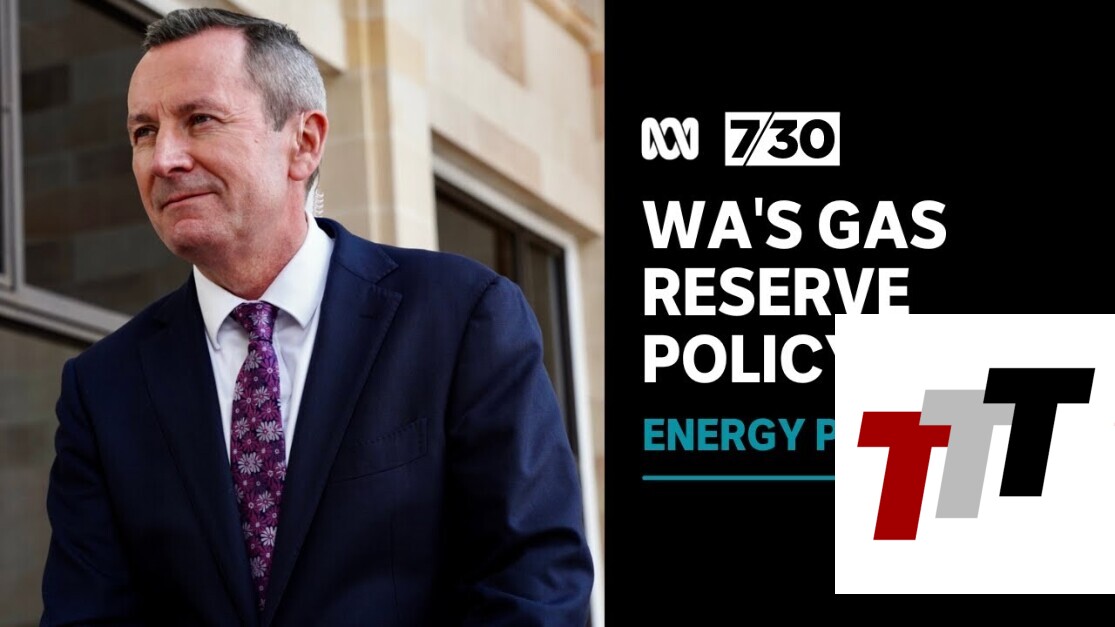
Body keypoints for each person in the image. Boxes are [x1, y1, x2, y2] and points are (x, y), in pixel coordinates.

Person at [40, 8, 593, 626]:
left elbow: (534, 585)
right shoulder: (103, 387)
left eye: (200, 120)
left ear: (303, 143)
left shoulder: (462, 316)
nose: (163, 158)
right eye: (144, 131)